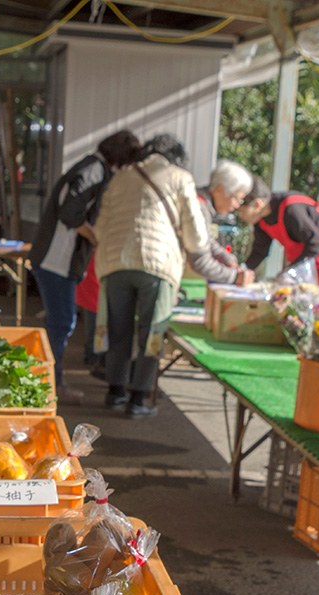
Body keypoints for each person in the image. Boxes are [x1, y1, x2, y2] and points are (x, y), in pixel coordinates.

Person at [92, 134, 229, 417]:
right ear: (177, 157)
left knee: (118, 330)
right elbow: (196, 236)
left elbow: (99, 227)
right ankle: (138, 399)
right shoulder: (180, 177)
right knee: (152, 331)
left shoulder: (121, 178)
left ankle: (114, 392)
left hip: (115, 263)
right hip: (157, 264)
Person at [28, 130, 141, 403]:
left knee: (61, 322)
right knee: (61, 323)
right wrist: (95, 236)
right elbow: (70, 212)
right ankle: (51, 386)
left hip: (57, 259)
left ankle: (49, 382)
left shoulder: (92, 167)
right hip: (57, 259)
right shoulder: (94, 170)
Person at [239, 175, 319, 288]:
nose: (241, 216)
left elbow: (316, 243)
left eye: (241, 211)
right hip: (302, 257)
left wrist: (290, 270)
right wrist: (242, 270)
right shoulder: (260, 220)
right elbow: (259, 251)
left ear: (257, 204)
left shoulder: (291, 208)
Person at [195, 160, 256, 286]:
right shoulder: (198, 207)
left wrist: (227, 259)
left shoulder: (202, 204)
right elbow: (200, 260)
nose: (236, 206)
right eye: (236, 199)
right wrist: (233, 277)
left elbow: (206, 240)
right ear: (219, 190)